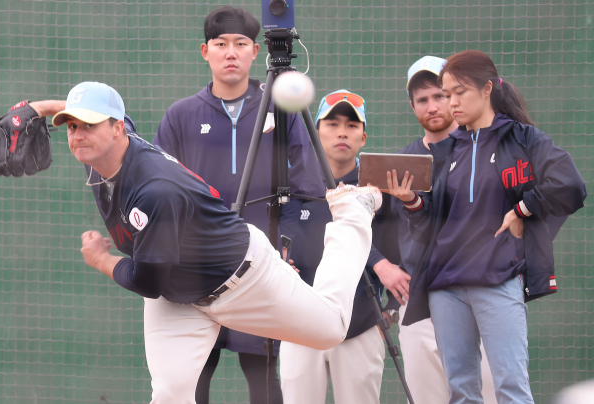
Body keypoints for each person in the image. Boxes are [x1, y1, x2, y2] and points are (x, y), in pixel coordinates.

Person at [29, 81, 382, 404]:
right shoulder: (112, 147)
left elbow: (148, 282)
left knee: (331, 328)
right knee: (169, 394)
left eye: (88, 125)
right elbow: (114, 120)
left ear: (116, 128)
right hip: (181, 294)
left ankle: (352, 213)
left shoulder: (156, 190)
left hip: (244, 280)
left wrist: (101, 260)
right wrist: (41, 109)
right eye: (72, 126)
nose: (77, 135)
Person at [386, 50, 587, 404]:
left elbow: (570, 184)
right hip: (445, 287)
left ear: (487, 89)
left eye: (458, 92)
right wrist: (411, 201)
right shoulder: (445, 151)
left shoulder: (523, 139)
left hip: (498, 281)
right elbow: (432, 220)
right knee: (462, 392)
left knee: (511, 388)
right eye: (447, 94)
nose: (451, 102)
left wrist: (523, 209)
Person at [152, 7, 324, 403]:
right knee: (191, 380)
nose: (231, 52)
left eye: (241, 44)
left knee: (263, 380)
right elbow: (160, 191)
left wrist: (288, 248)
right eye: (221, 44)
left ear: (254, 52)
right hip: (195, 272)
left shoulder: (283, 111)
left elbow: (309, 190)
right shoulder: (180, 116)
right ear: (205, 51)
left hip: (261, 267)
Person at [371, 56, 498, 404]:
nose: (433, 105)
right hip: (419, 306)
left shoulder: (488, 152)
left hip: (479, 298)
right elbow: (368, 233)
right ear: (412, 106)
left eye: (440, 95)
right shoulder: (396, 167)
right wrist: (383, 267)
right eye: (423, 99)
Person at [279, 90, 388, 404]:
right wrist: (280, 260)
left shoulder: (378, 189)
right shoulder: (291, 184)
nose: (343, 132)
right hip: (299, 321)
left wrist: (390, 311)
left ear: (363, 137)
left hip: (362, 323)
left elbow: (397, 249)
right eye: (332, 123)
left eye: (352, 126)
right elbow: (275, 238)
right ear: (315, 132)